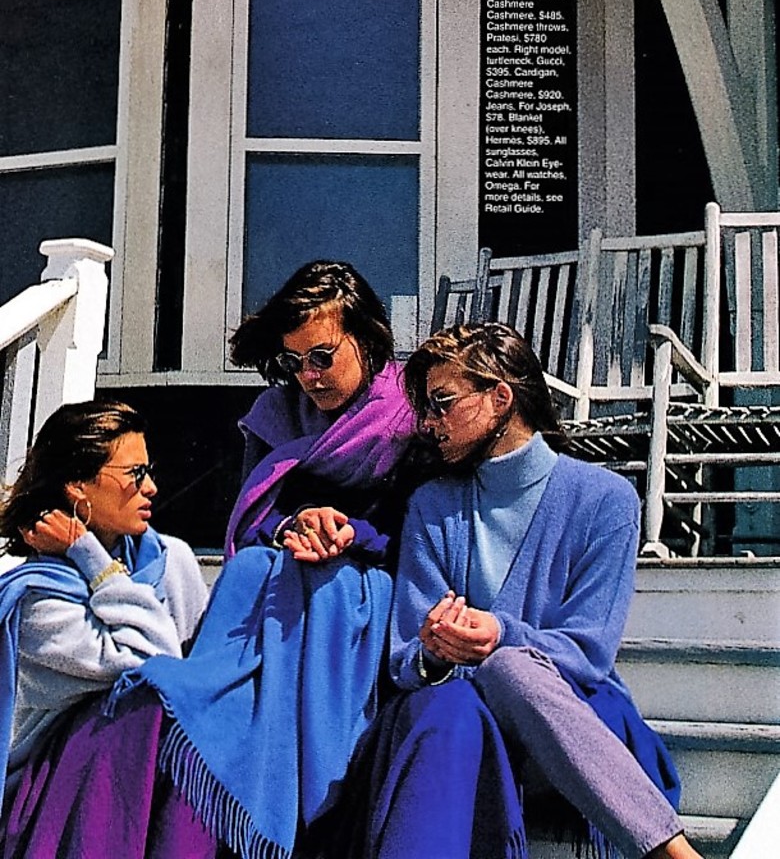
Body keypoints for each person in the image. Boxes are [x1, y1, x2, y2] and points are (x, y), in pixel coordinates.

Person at [322, 323, 703, 859]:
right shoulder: (433, 505)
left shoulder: (607, 500)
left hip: (564, 724)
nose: (429, 423)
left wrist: (500, 635)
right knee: (451, 704)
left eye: (442, 403)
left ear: (500, 398)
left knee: (508, 667)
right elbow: (407, 657)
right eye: (426, 408)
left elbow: (589, 654)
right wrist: (436, 650)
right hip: (457, 723)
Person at [107, 261, 419, 859]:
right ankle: (213, 712)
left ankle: (315, 799)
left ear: (366, 337)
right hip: (287, 564)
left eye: (322, 356)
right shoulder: (278, 412)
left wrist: (349, 531)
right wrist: (293, 525)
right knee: (250, 570)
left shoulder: (409, 412)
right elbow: (253, 519)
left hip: (374, 575)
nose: (309, 377)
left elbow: (422, 524)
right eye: (294, 361)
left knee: (327, 588)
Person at [0, 400, 213, 859]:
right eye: (134, 474)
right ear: (78, 486)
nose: (151, 487)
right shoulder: (37, 600)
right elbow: (156, 663)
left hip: (159, 785)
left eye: (148, 471)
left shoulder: (171, 560)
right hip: (54, 800)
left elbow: (196, 682)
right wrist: (91, 557)